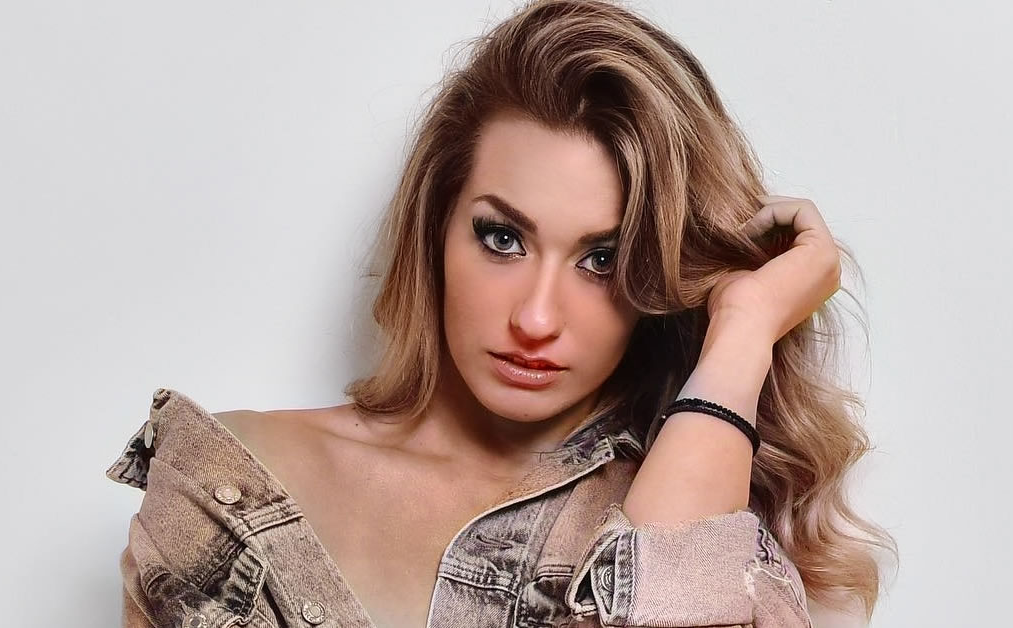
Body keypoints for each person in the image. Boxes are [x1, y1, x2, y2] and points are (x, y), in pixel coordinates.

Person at [106, 1, 897, 626]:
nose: (537, 319)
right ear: (436, 228)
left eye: (603, 260)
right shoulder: (226, 486)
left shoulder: (697, 509)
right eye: (503, 238)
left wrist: (745, 328)